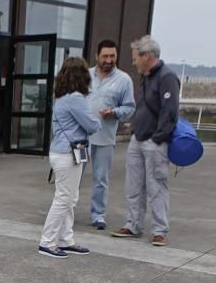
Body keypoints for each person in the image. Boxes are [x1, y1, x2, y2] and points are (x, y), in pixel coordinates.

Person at [112, 35, 180, 247]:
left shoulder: (167, 77)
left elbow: (170, 111)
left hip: (154, 141)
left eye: (135, 58)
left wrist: (159, 137)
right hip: (137, 138)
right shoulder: (147, 76)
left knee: (156, 185)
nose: (133, 62)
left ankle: (160, 230)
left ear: (147, 56)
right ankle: (133, 224)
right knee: (133, 185)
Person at [38, 58, 100, 259]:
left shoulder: (62, 98)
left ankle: (66, 239)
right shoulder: (75, 98)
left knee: (69, 198)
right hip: (68, 153)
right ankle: (47, 242)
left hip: (63, 151)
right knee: (64, 198)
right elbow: (92, 125)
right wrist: (97, 120)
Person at [86, 39, 135, 230]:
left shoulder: (124, 80)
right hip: (82, 138)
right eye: (105, 56)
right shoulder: (85, 75)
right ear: (97, 56)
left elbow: (129, 107)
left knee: (101, 178)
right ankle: (66, 212)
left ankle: (98, 215)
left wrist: (114, 113)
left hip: (105, 138)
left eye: (112, 56)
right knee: (73, 176)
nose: (109, 60)